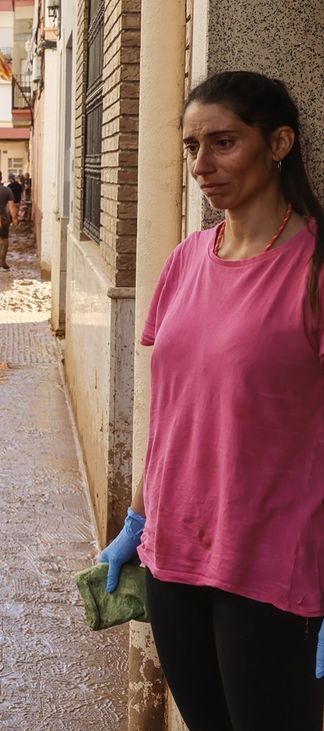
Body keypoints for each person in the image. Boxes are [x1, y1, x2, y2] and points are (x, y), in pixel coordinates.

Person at [98, 71, 324, 731]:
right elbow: (171, 412)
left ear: (278, 142)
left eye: (223, 142)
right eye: (192, 146)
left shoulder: (314, 270)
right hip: (173, 557)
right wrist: (137, 523)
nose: (202, 165)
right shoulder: (186, 259)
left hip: (273, 568)